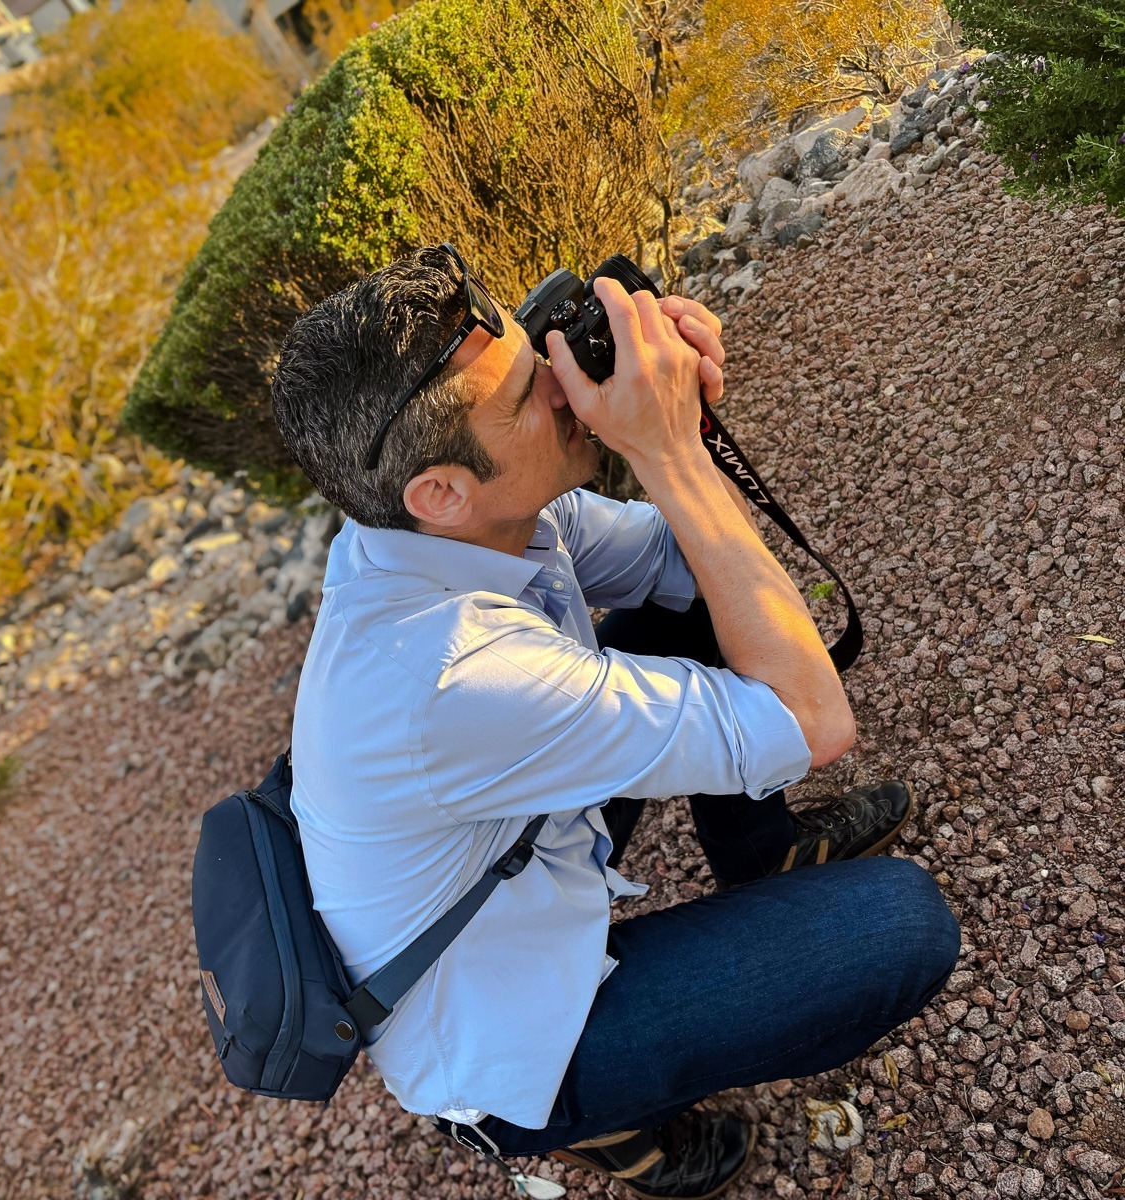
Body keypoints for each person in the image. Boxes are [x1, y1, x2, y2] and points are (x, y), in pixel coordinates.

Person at [270, 242, 960, 1199]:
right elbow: (813, 719)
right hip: (506, 1042)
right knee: (899, 924)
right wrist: (667, 452)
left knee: (695, 603)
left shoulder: (435, 522)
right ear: (441, 490)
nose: (565, 382)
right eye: (531, 393)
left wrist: (676, 412)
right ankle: (590, 1123)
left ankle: (762, 855)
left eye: (538, 349)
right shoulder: (456, 677)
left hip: (508, 852)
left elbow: (697, 572)